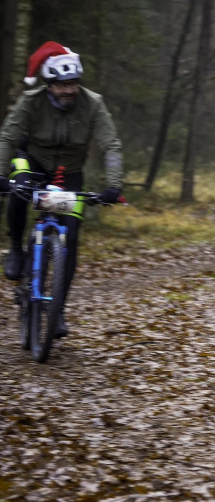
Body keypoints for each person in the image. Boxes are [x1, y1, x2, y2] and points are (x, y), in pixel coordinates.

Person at [0, 41, 124, 338]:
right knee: (18, 189)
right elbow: (7, 136)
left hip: (69, 174)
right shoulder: (31, 101)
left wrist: (113, 185)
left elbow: (111, 144)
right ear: (49, 84)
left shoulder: (93, 103)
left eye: (74, 84)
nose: (69, 90)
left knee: (70, 239)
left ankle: (56, 311)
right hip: (32, 162)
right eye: (62, 85)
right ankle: (16, 248)